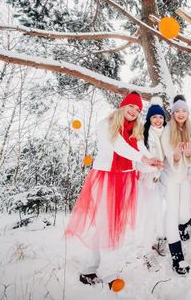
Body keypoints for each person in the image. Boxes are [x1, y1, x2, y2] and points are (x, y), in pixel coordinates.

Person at [64, 91, 162, 286]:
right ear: (123, 106)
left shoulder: (136, 131)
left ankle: (89, 270)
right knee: (107, 226)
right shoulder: (106, 125)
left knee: (111, 227)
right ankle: (108, 274)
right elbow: (118, 146)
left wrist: (153, 163)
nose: (134, 111)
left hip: (126, 180)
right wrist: (143, 158)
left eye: (137, 109)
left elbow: (141, 151)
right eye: (131, 106)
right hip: (106, 180)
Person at [161, 95, 191, 275]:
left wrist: (189, 155)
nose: (181, 114)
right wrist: (175, 156)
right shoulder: (167, 131)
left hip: (187, 179)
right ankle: (177, 256)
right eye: (178, 111)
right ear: (173, 114)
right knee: (172, 216)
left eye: (184, 111)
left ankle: (182, 227)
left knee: (185, 215)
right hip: (172, 179)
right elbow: (169, 156)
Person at [135, 96, 168, 270]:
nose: (157, 120)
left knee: (165, 210)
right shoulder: (144, 134)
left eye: (161, 117)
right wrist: (154, 166)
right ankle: (146, 249)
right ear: (149, 118)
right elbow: (139, 162)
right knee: (150, 213)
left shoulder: (167, 132)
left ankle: (160, 238)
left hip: (165, 177)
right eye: (154, 117)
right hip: (149, 180)